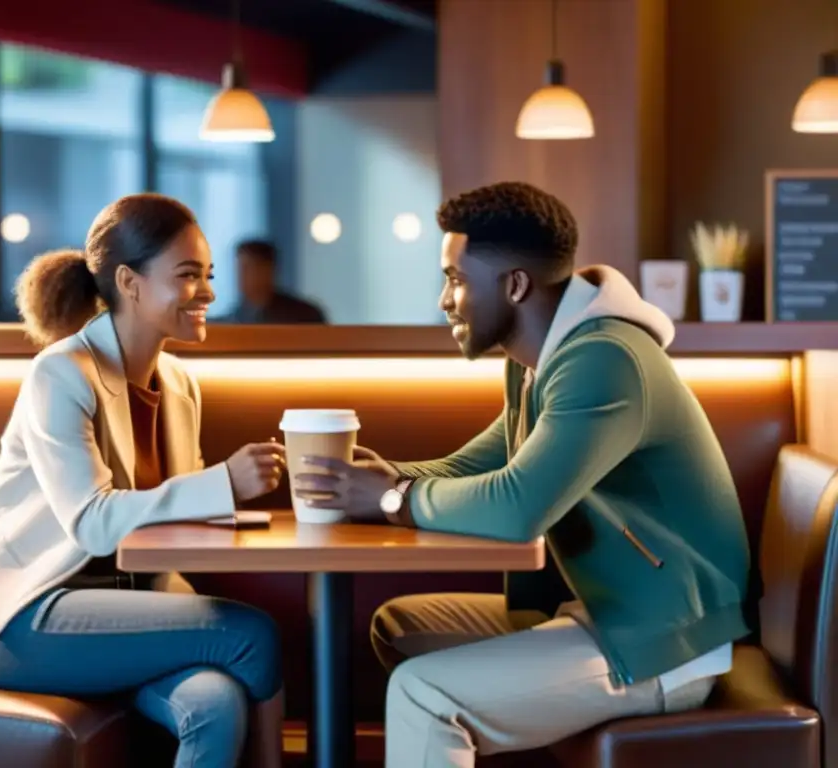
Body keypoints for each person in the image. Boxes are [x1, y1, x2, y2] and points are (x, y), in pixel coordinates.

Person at [294, 182, 751, 766]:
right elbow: (476, 466)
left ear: (514, 285)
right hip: (599, 608)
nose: (444, 299)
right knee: (399, 625)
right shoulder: (541, 362)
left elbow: (517, 507)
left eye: (455, 280)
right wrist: (381, 480)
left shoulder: (604, 361)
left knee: (423, 695)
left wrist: (393, 498)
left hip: (665, 640)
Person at [0, 194, 287, 768]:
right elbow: (93, 523)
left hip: (127, 609)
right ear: (129, 281)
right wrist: (224, 482)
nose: (208, 293)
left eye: (209, 275)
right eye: (188, 275)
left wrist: (235, 508)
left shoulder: (177, 383)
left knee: (216, 702)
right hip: (27, 617)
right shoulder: (61, 373)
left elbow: (172, 513)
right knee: (252, 633)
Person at [220, 239, 327, 323]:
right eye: (239, 268)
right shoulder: (232, 320)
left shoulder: (304, 315)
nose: (241, 275)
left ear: (269, 269)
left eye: (248, 268)